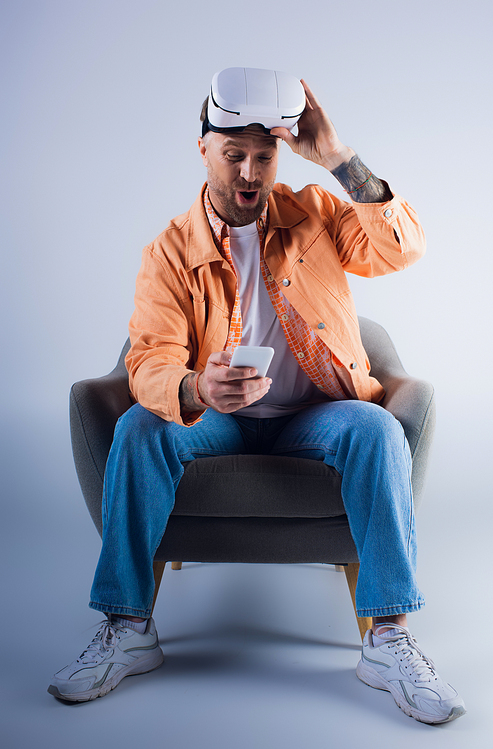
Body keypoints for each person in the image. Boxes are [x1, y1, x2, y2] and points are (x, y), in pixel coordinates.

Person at [49, 68, 465, 724]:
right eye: (233, 154)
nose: (249, 171)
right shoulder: (167, 252)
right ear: (204, 150)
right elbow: (149, 359)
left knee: (378, 430)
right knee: (137, 428)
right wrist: (194, 384)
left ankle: (387, 638)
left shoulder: (316, 213)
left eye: (263, 155)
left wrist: (337, 158)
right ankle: (128, 627)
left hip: (316, 412)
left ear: (280, 154)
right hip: (219, 418)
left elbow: (402, 245)